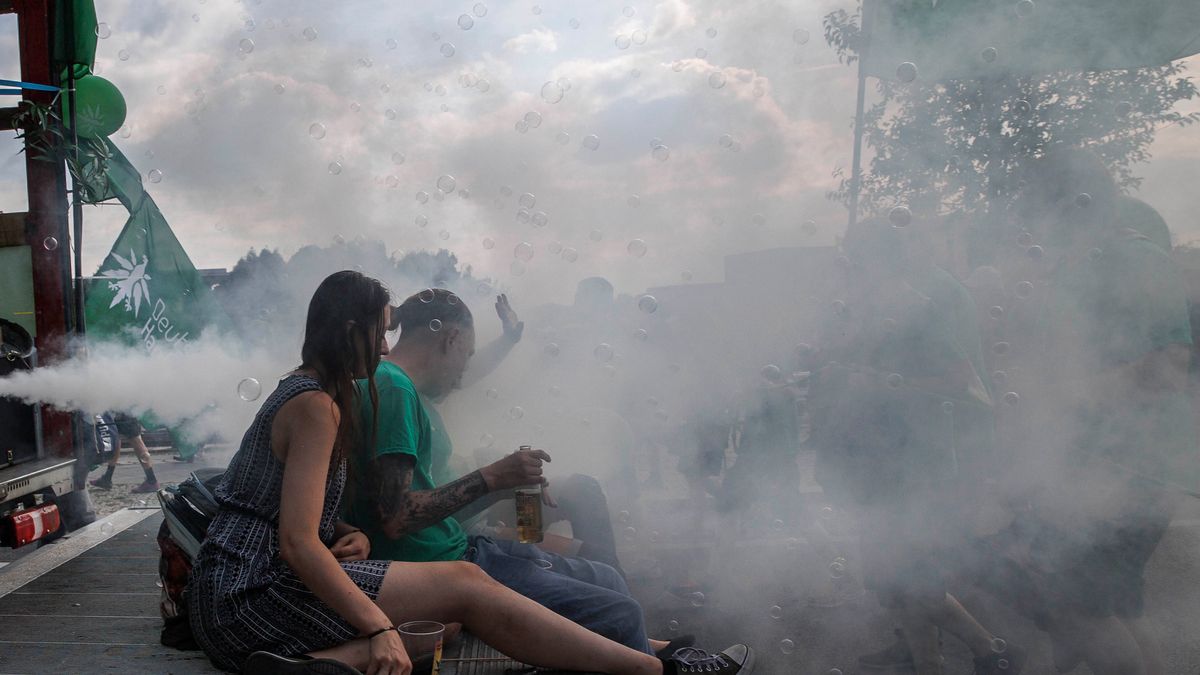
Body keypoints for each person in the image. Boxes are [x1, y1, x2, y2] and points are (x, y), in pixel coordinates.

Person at [186, 270, 752, 675]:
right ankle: (659, 670)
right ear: (352, 329)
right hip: (247, 596)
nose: (384, 347)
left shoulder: (303, 389)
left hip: (237, 587)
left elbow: (274, 502)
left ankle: (317, 665)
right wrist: (378, 628)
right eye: (380, 332)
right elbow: (295, 542)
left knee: (443, 623)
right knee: (465, 585)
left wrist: (342, 531)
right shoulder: (318, 405)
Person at [344, 288, 751, 668]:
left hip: (458, 546)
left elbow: (417, 497)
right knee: (619, 611)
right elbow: (395, 517)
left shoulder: (403, 387)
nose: (464, 371)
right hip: (444, 564)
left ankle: (658, 656)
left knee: (606, 577)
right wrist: (491, 477)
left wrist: (504, 481)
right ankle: (662, 664)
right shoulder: (394, 390)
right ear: (450, 339)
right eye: (466, 354)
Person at [809, 219, 1021, 675]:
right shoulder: (881, 304)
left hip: (920, 462)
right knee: (894, 579)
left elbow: (958, 380)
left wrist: (875, 381)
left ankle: (987, 651)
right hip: (887, 459)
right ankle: (934, 658)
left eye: (855, 260)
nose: (849, 269)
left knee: (911, 578)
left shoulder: (920, 305)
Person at [1011, 150, 1195, 675]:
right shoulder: (1081, 265)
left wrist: (1071, 390)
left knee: (1075, 605)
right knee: (1105, 607)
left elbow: (1170, 367)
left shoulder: (1136, 260)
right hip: (1096, 465)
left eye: (1039, 208)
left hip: (1133, 468)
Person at [89, 413, 158, 493]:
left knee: (135, 439)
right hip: (117, 411)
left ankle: (152, 480)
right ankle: (107, 477)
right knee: (116, 436)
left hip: (123, 411)